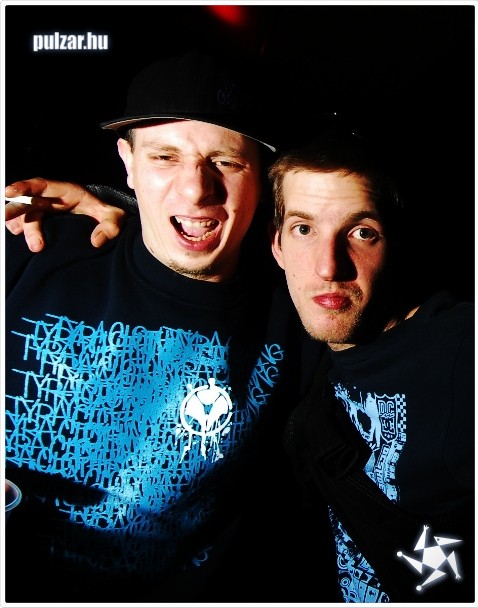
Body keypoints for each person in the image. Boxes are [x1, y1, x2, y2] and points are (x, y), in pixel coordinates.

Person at [4, 48, 332, 603]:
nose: (196, 189)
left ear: (264, 178)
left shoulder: (303, 317)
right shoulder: (31, 245)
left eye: (226, 162)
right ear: (127, 161)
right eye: (164, 157)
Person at [267, 126, 475, 603]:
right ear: (277, 247)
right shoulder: (299, 347)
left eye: (362, 232)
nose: (328, 267)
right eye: (304, 229)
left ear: (396, 242)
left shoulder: (460, 350)